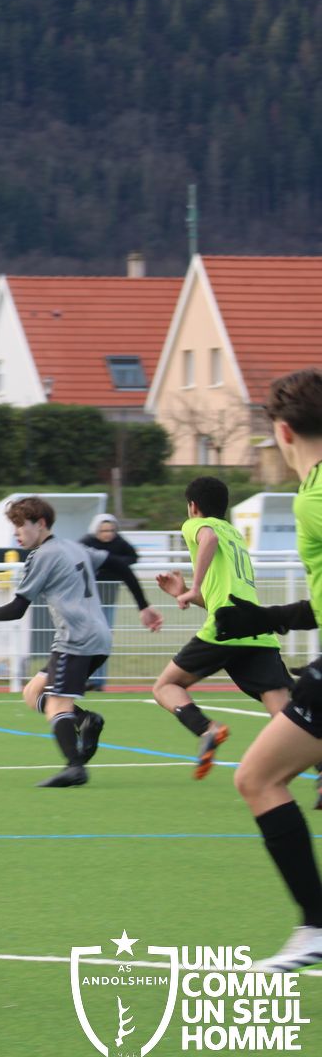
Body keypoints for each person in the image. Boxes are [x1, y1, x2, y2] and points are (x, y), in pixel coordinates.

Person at [213, 368, 322, 972]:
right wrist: (267, 617)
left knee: (258, 778)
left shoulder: (314, 497)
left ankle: (316, 927)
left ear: (281, 432)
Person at [0, 497, 163, 786]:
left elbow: (17, 609)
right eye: (13, 526)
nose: (16, 533)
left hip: (76, 641)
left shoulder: (42, 556)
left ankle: (75, 767)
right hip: (98, 638)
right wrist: (144, 606)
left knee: (56, 705)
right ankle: (86, 721)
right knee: (33, 693)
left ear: (40, 523)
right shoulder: (75, 547)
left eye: (20, 525)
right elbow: (120, 566)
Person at [150, 476, 297, 778]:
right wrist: (184, 592)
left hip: (227, 628)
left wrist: (194, 587)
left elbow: (208, 539)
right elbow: (220, 597)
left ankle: (208, 729)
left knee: (165, 687)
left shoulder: (197, 525)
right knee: (287, 715)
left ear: (193, 506)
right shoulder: (235, 534)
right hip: (256, 629)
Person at [77, 512, 139, 690]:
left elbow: (133, 557)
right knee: (86, 638)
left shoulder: (119, 543)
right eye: (104, 530)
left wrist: (111, 564)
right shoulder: (86, 542)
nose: (108, 534)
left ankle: (98, 681)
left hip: (110, 598)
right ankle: (83, 679)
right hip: (87, 600)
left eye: (111, 530)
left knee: (104, 638)